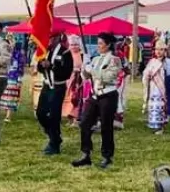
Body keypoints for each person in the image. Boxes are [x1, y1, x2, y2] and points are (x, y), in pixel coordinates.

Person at [72, 32, 121, 169]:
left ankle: (107, 156)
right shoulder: (95, 59)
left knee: (106, 126)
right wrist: (85, 66)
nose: (98, 46)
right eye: (98, 43)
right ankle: (85, 154)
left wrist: (91, 70)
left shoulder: (115, 60)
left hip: (108, 95)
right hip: (94, 95)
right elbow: (86, 77)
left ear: (108, 45)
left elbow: (108, 77)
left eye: (100, 43)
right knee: (85, 123)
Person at [36, 29, 73, 156]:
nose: (49, 40)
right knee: (40, 113)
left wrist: (51, 66)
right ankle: (54, 136)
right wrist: (42, 65)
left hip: (58, 87)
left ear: (57, 37)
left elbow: (67, 73)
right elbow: (39, 68)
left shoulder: (65, 52)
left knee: (54, 116)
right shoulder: (45, 50)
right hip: (46, 86)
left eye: (51, 38)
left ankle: (54, 144)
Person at [142, 40, 169, 133]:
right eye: (157, 49)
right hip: (154, 87)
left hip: (164, 88)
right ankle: (155, 124)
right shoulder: (152, 61)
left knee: (163, 106)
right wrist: (148, 74)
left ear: (165, 51)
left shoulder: (168, 62)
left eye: (161, 49)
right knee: (154, 106)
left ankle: (161, 127)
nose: (158, 51)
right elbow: (145, 73)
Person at [0, 38, 25, 122]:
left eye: (12, 43)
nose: (10, 45)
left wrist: (19, 79)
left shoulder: (19, 55)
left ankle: (8, 116)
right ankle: (7, 113)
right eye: (9, 43)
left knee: (10, 97)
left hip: (14, 78)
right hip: (4, 77)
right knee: (4, 96)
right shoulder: (5, 54)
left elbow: (20, 68)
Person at [63, 35, 84, 125]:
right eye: (72, 44)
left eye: (76, 44)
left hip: (78, 81)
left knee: (76, 99)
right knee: (67, 100)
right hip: (68, 80)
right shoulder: (67, 54)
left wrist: (79, 71)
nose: (74, 46)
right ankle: (69, 118)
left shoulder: (83, 55)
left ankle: (76, 118)